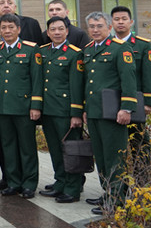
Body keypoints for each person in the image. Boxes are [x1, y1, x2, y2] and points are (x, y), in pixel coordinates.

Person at [0, 0, 43, 190]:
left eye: (11, 27)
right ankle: (13, 183)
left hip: (24, 107)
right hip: (3, 108)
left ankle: (29, 184)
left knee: (27, 147)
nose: (7, 31)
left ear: (19, 29)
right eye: (4, 28)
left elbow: (37, 79)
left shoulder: (31, 49)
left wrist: (36, 105)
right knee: (8, 147)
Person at [83, 11, 137, 215]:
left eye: (99, 26)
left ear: (109, 27)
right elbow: (88, 82)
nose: (95, 30)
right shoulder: (88, 49)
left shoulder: (120, 48)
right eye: (92, 26)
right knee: (101, 156)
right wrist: (86, 109)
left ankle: (117, 200)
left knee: (115, 157)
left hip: (114, 112)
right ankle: (108, 193)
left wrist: (126, 108)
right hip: (95, 111)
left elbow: (128, 79)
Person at [36, 17, 85, 204]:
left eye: (60, 29)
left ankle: (73, 188)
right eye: (53, 29)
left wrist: (76, 113)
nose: (57, 32)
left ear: (67, 31)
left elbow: (76, 86)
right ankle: (60, 182)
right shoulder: (42, 52)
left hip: (65, 111)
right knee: (55, 150)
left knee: (70, 150)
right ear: (48, 33)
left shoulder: (75, 53)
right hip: (48, 109)